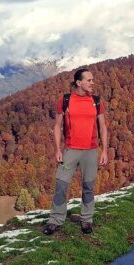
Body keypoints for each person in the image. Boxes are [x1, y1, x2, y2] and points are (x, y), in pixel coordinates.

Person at [43, 67, 109, 235]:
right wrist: (57, 149)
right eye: (89, 80)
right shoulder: (65, 100)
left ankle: (86, 220)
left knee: (88, 186)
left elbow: (103, 127)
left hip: (91, 151)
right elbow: (57, 126)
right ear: (79, 83)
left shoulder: (96, 101)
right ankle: (56, 220)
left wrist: (105, 151)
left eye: (92, 80)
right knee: (61, 185)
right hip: (70, 151)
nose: (92, 83)